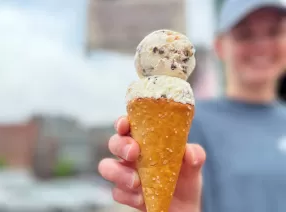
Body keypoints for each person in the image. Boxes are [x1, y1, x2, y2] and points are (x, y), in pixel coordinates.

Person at [98, 0, 286, 211]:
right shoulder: (191, 121)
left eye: (274, 32)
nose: (261, 45)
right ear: (219, 47)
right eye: (245, 34)